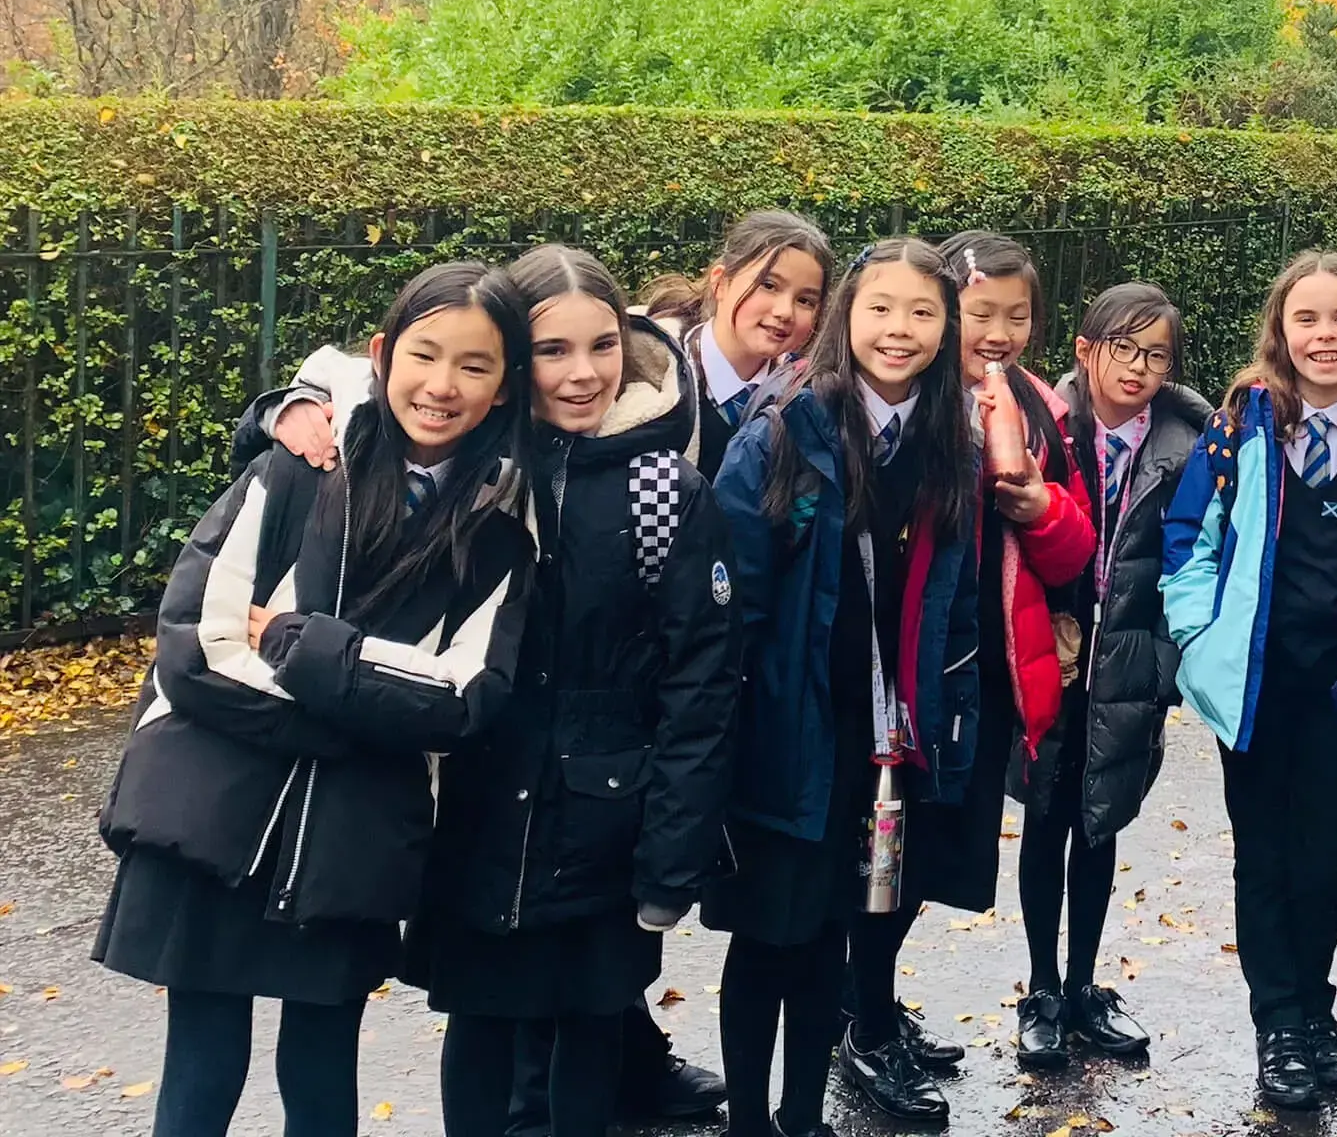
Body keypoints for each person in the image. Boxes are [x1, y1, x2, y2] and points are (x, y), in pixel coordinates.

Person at [240, 249, 739, 1137]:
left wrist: (674, 853)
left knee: (588, 1045)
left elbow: (699, 684)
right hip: (475, 803)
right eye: (552, 350)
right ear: (514, 364)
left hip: (606, 818)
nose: (582, 373)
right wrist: (284, 409)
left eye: (602, 346)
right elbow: (360, 404)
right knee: (480, 1036)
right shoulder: (469, 461)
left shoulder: (665, 488)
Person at [96, 262, 538, 1137]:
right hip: (215, 812)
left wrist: (309, 652)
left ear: (504, 387)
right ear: (382, 354)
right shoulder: (300, 469)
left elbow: (463, 699)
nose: (442, 386)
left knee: (323, 1067)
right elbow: (197, 646)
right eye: (424, 354)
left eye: (475, 366)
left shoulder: (500, 528)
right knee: (200, 1061)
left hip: (356, 839)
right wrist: (362, 717)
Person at [1160, 250, 1337, 1111]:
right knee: (1265, 856)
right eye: (1307, 319)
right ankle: (1278, 1021)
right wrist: (1199, 632)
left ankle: (1316, 1008)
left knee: (1323, 858)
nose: (1325, 336)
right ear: (1281, 331)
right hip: (1253, 684)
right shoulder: (1238, 426)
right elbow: (1190, 540)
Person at [706, 238, 982, 1137]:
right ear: (846, 319)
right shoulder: (783, 431)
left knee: (836, 932)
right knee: (767, 937)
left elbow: (957, 599)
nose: (898, 330)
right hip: (788, 735)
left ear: (946, 329)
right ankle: (750, 1120)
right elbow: (728, 602)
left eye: (922, 313)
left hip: (883, 743)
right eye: (879, 309)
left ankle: (801, 1116)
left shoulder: (950, 447)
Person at [917, 229, 1099, 1096]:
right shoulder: (908, 397)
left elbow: (1074, 554)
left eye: (1017, 314)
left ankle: (869, 1005)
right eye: (979, 311)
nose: (998, 330)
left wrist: (1039, 509)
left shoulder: (1038, 407)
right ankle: (860, 1006)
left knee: (940, 841)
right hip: (920, 658)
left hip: (993, 657)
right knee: (895, 837)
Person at [1013, 283, 1208, 1068]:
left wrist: (1163, 665)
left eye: (1155, 353)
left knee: (1100, 823)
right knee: (1045, 816)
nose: (1137, 367)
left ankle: (1087, 985)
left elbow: (1193, 558)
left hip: (1126, 660)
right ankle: (1041, 986)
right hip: (1050, 653)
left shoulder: (1190, 444)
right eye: (1122, 347)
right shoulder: (1040, 425)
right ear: (1086, 348)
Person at [642, 211, 837, 469]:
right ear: (721, 282)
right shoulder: (651, 373)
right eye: (768, 285)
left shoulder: (805, 397)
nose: (784, 311)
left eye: (805, 301)